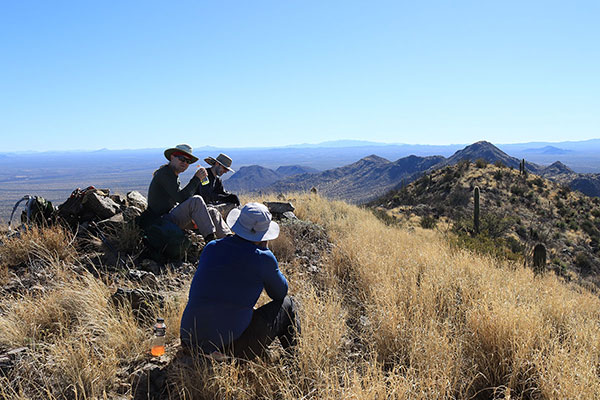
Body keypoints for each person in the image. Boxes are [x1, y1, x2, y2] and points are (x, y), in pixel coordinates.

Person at [180, 202, 300, 360]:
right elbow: (280, 293)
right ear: (263, 235)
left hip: (189, 341)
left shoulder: (212, 247)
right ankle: (295, 360)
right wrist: (266, 251)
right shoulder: (263, 258)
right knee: (288, 304)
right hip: (229, 349)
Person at [144, 144, 231, 241]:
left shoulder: (172, 174)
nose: (185, 163)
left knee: (212, 211)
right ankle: (210, 240)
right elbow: (181, 198)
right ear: (172, 157)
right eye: (182, 159)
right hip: (161, 221)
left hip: (169, 217)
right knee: (196, 200)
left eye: (188, 161)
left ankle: (228, 240)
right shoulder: (165, 174)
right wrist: (196, 179)